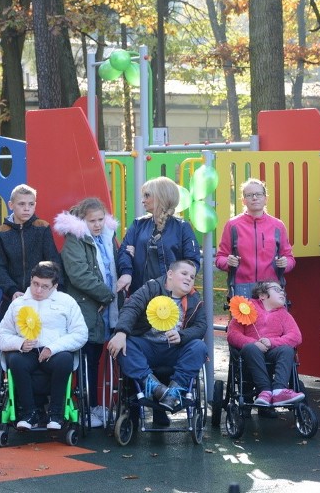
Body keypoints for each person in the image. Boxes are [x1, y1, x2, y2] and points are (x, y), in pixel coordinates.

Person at [107, 260, 207, 421]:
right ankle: (156, 388)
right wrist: (121, 332)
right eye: (184, 273)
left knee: (199, 347)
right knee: (123, 343)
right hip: (147, 347)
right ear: (170, 274)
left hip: (174, 349)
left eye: (192, 276)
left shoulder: (195, 298)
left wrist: (182, 336)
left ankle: (174, 392)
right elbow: (132, 307)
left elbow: (201, 326)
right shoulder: (152, 287)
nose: (189, 278)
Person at [0, 261, 87, 430]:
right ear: (30, 279)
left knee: (65, 360)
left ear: (55, 286)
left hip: (55, 351)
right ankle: (29, 413)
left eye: (45, 286)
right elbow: (2, 335)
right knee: (15, 361)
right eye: (35, 284)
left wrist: (53, 348)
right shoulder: (18, 303)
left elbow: (81, 334)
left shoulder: (67, 302)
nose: (38, 290)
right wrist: (20, 343)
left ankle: (56, 414)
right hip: (26, 351)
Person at [54, 197, 119, 429]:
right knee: (86, 358)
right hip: (87, 306)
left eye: (101, 219)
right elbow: (78, 274)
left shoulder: (108, 237)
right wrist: (107, 294)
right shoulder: (75, 239)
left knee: (97, 357)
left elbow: (115, 266)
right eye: (92, 221)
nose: (98, 224)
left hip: (106, 307)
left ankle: (93, 406)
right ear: (83, 220)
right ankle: (85, 407)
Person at [116, 177, 200, 295]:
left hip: (172, 295)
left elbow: (192, 262)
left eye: (147, 195)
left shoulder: (181, 227)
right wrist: (126, 273)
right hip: (140, 293)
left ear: (161, 196)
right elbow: (124, 252)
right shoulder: (138, 224)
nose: (143, 200)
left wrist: (175, 283)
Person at [226, 281, 304, 406]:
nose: (282, 292)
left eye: (282, 290)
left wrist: (271, 342)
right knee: (251, 348)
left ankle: (279, 390)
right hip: (251, 353)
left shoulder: (284, 314)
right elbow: (232, 334)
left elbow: (296, 336)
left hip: (273, 351)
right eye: (276, 289)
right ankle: (265, 390)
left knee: (287, 350)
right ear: (262, 295)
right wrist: (254, 343)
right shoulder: (247, 309)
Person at [214, 178, 295, 298]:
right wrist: (227, 262)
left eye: (259, 194)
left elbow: (290, 259)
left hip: (271, 287)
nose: (255, 198)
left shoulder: (278, 226)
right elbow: (220, 258)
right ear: (243, 201)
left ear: (266, 199)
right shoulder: (232, 225)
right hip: (242, 288)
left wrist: (285, 263)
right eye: (249, 195)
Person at [0, 183, 61, 318]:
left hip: (41, 298)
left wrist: (55, 288)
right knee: (13, 337)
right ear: (11, 205)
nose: (26, 209)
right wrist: (12, 290)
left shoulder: (42, 227)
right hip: (12, 299)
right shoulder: (1, 233)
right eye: (21, 204)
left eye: (31, 204)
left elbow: (53, 260)